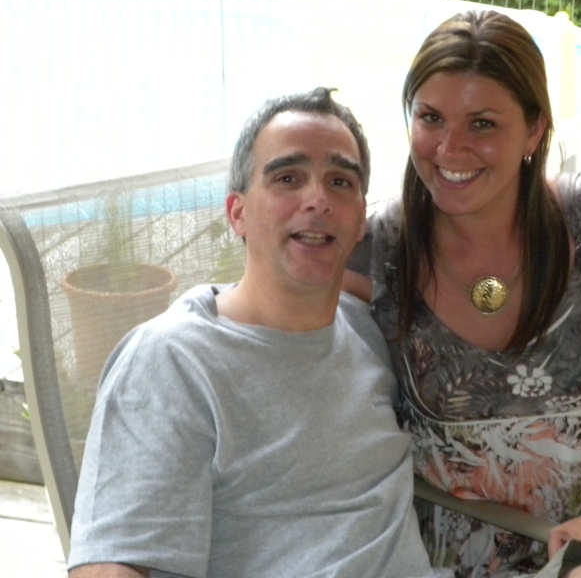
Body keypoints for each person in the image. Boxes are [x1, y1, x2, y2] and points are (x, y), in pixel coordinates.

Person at [345, 10, 581, 578]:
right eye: (431, 118)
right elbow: (265, 312)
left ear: (534, 131)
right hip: (460, 556)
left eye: (483, 124)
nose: (450, 147)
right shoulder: (375, 254)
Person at [67, 87, 452, 578]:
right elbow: (110, 566)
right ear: (238, 213)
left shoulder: (366, 332)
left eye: (340, 181)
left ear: (361, 221)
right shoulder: (172, 361)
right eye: (288, 178)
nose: (318, 200)